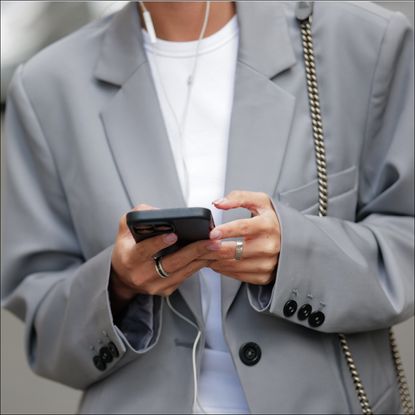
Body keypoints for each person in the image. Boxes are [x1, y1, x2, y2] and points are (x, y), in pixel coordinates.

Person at [1, 1, 413, 414]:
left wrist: (294, 257)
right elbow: (45, 329)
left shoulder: (362, 41)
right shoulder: (47, 87)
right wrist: (119, 286)